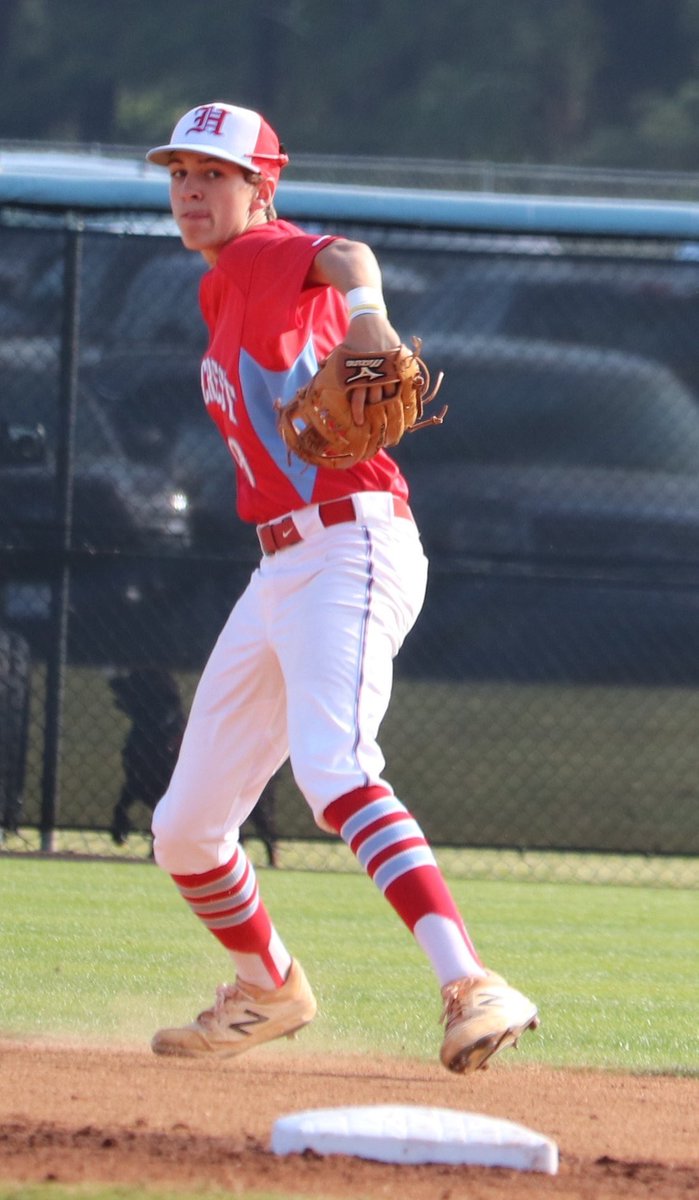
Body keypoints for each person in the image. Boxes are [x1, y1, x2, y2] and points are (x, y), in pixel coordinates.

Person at [146, 102, 539, 1073]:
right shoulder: (220, 287)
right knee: (186, 830)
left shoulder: (265, 252)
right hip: (282, 566)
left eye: (215, 174)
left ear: (261, 188)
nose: (191, 191)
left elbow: (348, 255)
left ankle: (471, 983)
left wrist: (368, 313)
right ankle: (269, 988)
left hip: (350, 547)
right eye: (181, 173)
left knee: (335, 769)